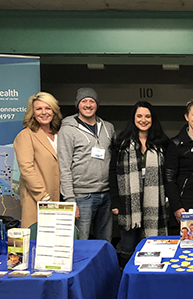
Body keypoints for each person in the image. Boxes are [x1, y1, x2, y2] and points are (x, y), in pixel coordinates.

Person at [109, 101, 170, 266]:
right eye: (139, 116)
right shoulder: (121, 144)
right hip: (129, 207)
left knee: (154, 249)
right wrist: (115, 201)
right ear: (133, 118)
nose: (144, 120)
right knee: (128, 250)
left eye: (147, 116)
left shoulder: (162, 143)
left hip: (155, 206)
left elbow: (168, 175)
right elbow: (113, 173)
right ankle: (128, 283)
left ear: (153, 119)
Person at [57, 87, 115, 242]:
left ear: (97, 104)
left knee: (105, 241)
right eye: (84, 101)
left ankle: (103, 267)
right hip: (82, 196)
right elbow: (64, 166)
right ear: (77, 104)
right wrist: (70, 199)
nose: (88, 105)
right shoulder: (67, 129)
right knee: (81, 241)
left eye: (92, 101)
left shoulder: (108, 128)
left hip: (106, 193)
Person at [13, 92, 63, 228]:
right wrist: (43, 198)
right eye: (39, 109)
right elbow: (26, 170)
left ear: (54, 111)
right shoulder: (26, 136)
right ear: (32, 113)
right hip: (37, 199)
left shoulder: (59, 134)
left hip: (59, 198)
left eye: (48, 108)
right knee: (36, 242)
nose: (44, 112)